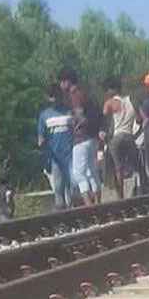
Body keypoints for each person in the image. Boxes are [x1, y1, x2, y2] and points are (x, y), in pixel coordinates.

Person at [59, 67, 101, 207]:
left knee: (78, 173)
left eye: (62, 81)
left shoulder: (74, 95)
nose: (61, 85)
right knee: (92, 171)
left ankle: (89, 205)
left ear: (68, 81)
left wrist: (72, 121)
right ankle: (98, 203)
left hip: (81, 138)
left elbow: (80, 115)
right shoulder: (85, 93)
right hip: (92, 137)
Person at [101, 77, 139, 201]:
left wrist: (104, 135)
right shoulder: (130, 100)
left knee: (117, 168)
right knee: (135, 166)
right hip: (129, 137)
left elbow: (104, 120)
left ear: (112, 89)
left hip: (117, 137)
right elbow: (139, 119)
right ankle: (138, 190)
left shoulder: (110, 103)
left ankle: (120, 196)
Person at [38, 84, 76, 210]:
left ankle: (73, 209)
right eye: (51, 96)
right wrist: (43, 147)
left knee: (73, 185)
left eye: (55, 96)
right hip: (55, 158)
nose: (53, 99)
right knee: (58, 188)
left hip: (71, 155)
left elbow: (76, 130)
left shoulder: (69, 112)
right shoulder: (44, 115)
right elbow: (41, 138)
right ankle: (61, 212)